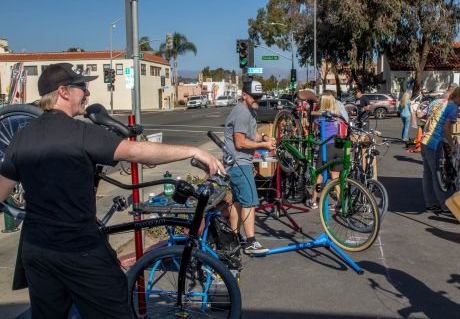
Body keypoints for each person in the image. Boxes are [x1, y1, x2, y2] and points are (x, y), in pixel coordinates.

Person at [0, 63, 224, 319]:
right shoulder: (82, 133)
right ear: (63, 92)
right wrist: (195, 151)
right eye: (81, 87)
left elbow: (1, 191)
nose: (87, 92)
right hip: (78, 248)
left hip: (36, 248)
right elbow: (137, 152)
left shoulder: (22, 137)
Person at [224, 79, 276, 255]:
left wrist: (264, 138)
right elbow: (240, 142)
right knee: (250, 202)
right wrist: (263, 147)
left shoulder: (249, 110)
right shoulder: (242, 113)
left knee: (238, 202)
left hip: (238, 163)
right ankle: (251, 242)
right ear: (244, 95)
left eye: (259, 97)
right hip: (239, 162)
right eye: (254, 97)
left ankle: (234, 238)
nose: (257, 100)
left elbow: (251, 134)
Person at [420, 86, 460, 212]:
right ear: (459, 97)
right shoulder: (453, 107)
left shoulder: (437, 101)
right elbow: (446, 129)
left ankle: (430, 203)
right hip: (435, 143)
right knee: (438, 175)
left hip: (424, 140)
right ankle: (445, 205)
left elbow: (420, 114)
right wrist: (452, 145)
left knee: (428, 174)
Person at [307, 92, 348, 209]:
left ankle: (313, 200)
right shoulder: (338, 115)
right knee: (335, 175)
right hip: (340, 146)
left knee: (319, 174)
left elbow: (314, 130)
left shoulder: (320, 117)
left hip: (327, 146)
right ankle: (340, 202)